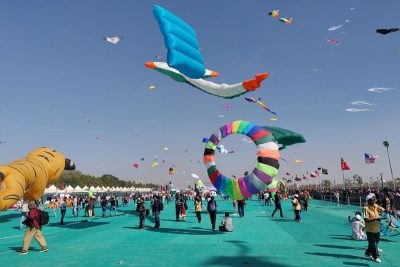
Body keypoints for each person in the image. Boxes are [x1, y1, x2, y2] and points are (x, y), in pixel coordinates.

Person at [363, 193, 385, 263]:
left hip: (376, 228)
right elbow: (366, 219)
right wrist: (375, 218)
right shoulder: (365, 208)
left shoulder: (375, 205)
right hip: (370, 229)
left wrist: (389, 212)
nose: (374, 201)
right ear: (368, 201)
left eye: (374, 200)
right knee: (373, 244)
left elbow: (382, 210)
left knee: (375, 242)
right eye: (372, 200)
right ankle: (376, 257)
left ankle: (367, 253)